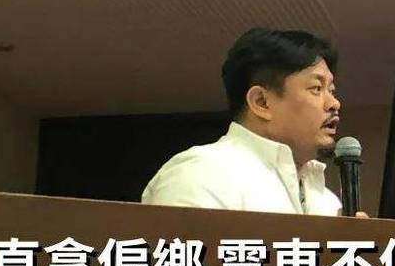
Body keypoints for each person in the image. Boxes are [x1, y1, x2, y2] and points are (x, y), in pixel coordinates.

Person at [141, 27, 346, 215]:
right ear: (261, 102)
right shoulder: (201, 174)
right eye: (316, 88)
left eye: (331, 90)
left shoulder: (327, 201)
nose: (334, 103)